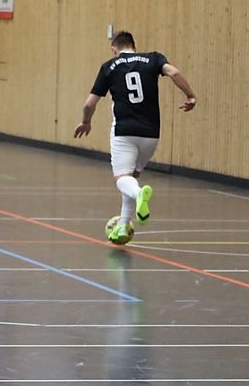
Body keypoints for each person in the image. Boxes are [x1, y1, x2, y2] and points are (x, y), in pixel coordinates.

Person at [73, 31, 197, 244]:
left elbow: (89, 104)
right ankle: (123, 225)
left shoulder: (109, 67)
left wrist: (86, 122)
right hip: (151, 134)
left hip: (124, 131)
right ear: (134, 46)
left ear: (114, 49)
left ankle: (139, 195)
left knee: (123, 179)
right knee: (132, 177)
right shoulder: (153, 59)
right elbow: (174, 72)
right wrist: (190, 96)